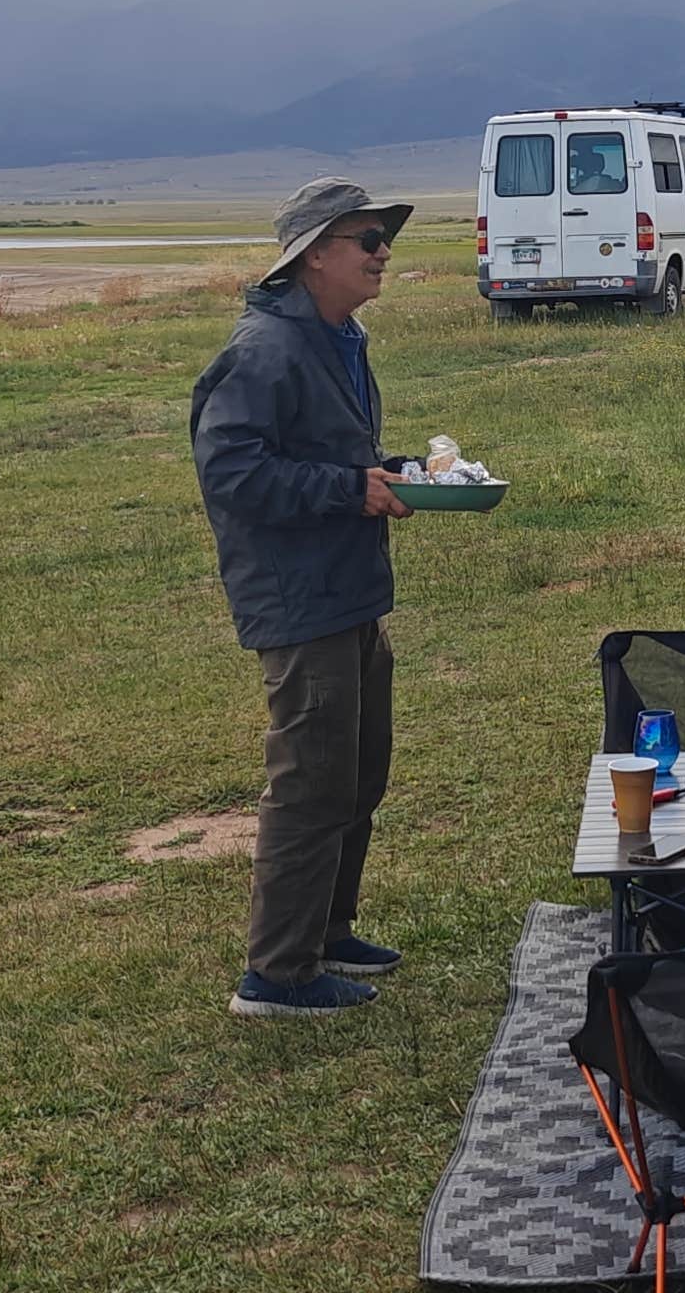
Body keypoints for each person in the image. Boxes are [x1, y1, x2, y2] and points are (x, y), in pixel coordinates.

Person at [188, 177, 418, 1018]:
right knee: (311, 778)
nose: (382, 251)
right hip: (299, 597)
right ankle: (277, 975)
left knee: (359, 771)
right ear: (316, 253)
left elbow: (326, 453)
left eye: (382, 237)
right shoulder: (263, 352)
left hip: (349, 588)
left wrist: (389, 477)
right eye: (367, 238)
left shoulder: (336, 337)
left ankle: (326, 931)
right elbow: (233, 471)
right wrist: (348, 491)